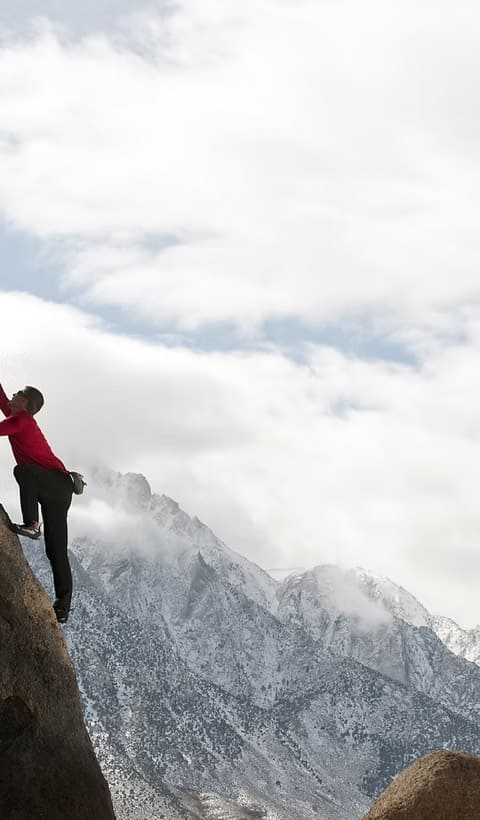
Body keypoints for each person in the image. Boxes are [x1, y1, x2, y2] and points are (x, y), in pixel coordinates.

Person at [0, 383, 74, 624]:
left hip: (53, 481)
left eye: (18, 394)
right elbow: (1, 398)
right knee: (56, 549)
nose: (12, 395)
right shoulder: (18, 417)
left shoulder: (22, 421)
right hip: (60, 488)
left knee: (24, 471)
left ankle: (32, 523)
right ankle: (63, 606)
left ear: (26, 404)